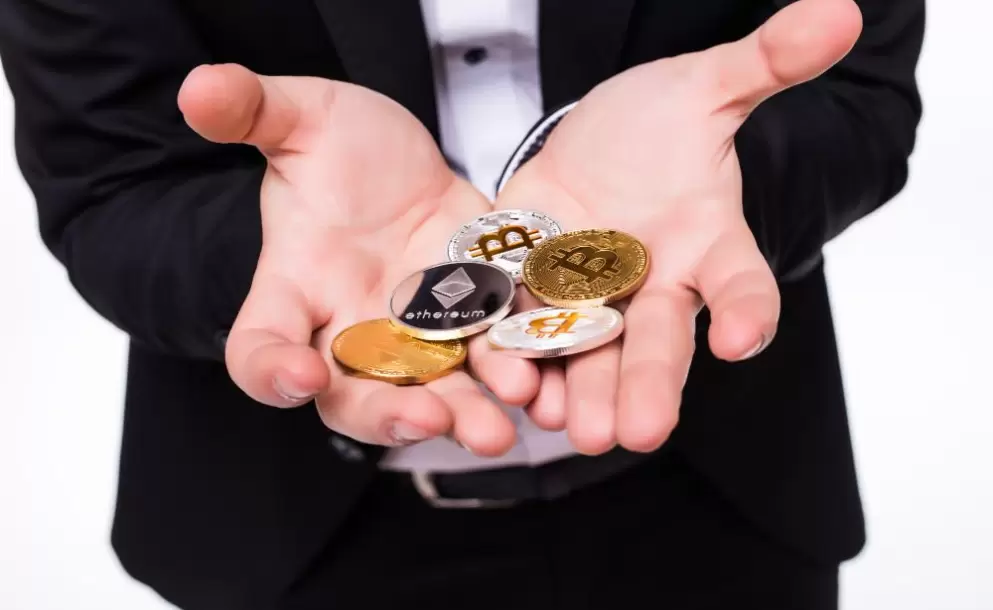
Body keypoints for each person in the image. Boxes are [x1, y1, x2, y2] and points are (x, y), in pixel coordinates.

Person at [0, 0, 924, 608]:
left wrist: (726, 185)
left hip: (729, 499)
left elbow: (859, 96)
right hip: (297, 536)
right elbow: (109, 180)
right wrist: (283, 265)